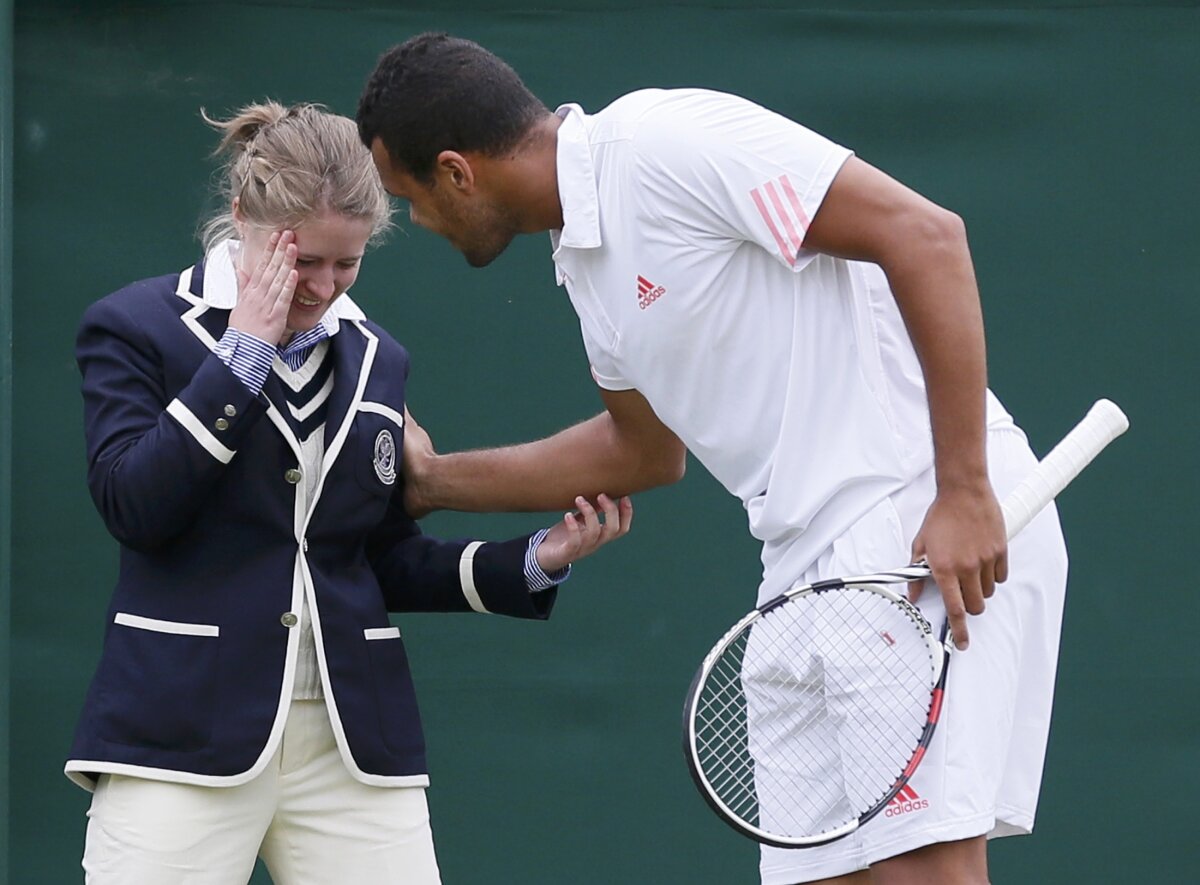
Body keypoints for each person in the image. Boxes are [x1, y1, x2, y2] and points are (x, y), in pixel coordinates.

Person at [355, 33, 1070, 885]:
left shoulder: (662, 144)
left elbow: (925, 236)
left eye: (411, 200)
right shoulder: (583, 264)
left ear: (456, 171)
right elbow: (643, 450)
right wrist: (432, 483)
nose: (419, 224)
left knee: (926, 873)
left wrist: (962, 490)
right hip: (801, 572)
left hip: (912, 521)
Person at [65, 100, 632, 885]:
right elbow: (133, 503)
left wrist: (532, 558)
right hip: (177, 733)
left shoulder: (379, 357)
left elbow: (372, 559)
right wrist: (244, 355)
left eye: (347, 263)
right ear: (241, 216)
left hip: (354, 745)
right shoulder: (133, 326)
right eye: (303, 262)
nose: (325, 286)